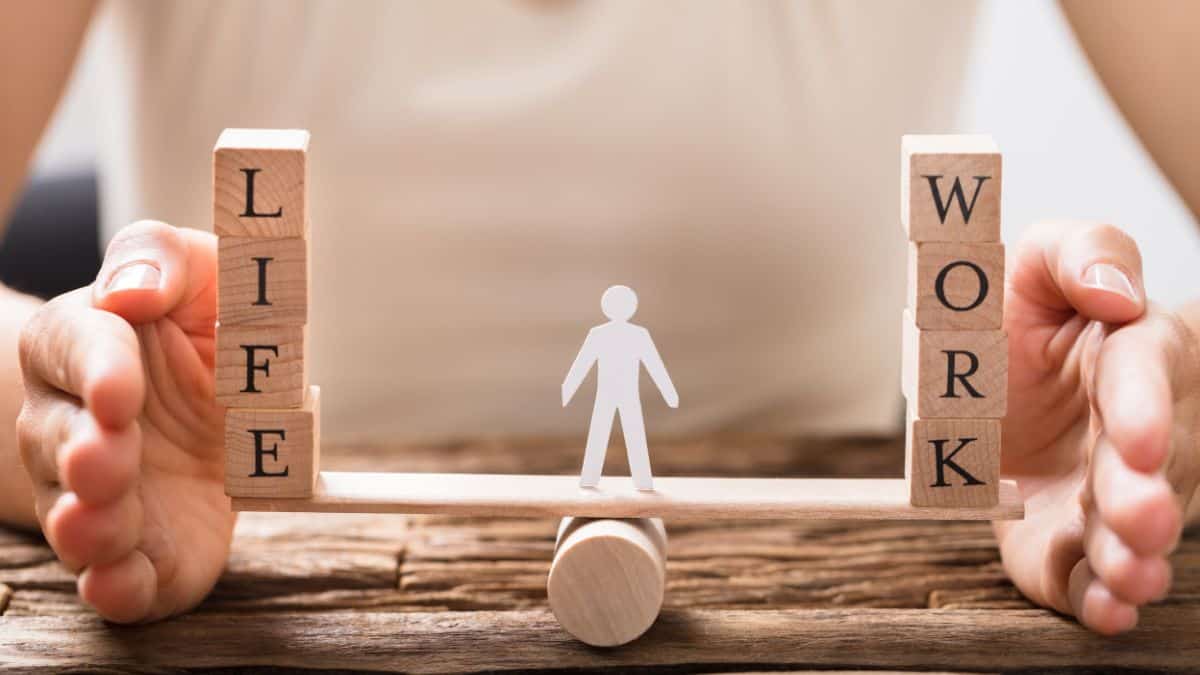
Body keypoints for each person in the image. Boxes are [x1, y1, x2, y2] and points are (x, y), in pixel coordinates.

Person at [0, 1, 1197, 635]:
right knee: (612, 436)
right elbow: (606, 371)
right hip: (258, 536)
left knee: (616, 438)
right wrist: (40, 407)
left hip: (836, 560)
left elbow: (615, 376)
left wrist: (1155, 396)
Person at [562, 285, 679, 490]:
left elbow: (654, 365)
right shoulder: (627, 334)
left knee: (616, 434)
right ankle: (607, 480)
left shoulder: (615, 334)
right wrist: (669, 394)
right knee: (621, 435)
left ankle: (630, 481)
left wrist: (568, 390)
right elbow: (582, 363)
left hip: (619, 394)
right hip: (615, 394)